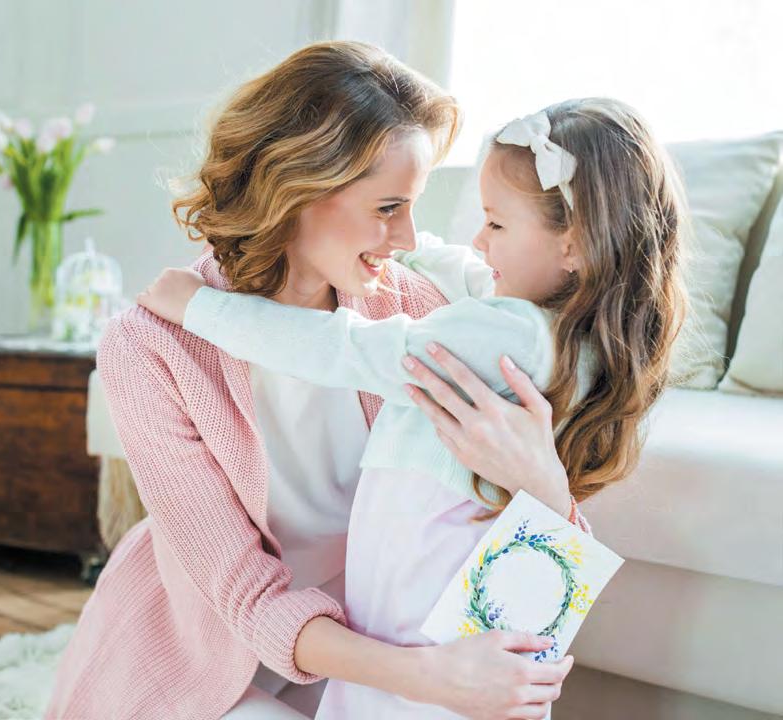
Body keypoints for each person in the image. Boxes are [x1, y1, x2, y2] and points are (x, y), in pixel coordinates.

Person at [46, 42, 582, 720]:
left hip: (373, 650)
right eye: (388, 207)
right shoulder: (151, 346)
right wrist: (432, 677)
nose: (407, 239)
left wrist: (544, 483)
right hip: (210, 662)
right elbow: (246, 597)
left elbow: (527, 526)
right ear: (296, 189)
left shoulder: (414, 311)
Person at [138, 98, 688, 718]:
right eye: (388, 208)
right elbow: (468, 268)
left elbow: (345, 348)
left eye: (496, 225)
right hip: (441, 583)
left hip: (419, 583)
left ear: (575, 245)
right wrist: (410, 247)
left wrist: (201, 309)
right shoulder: (570, 333)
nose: (478, 240)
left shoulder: (506, 332)